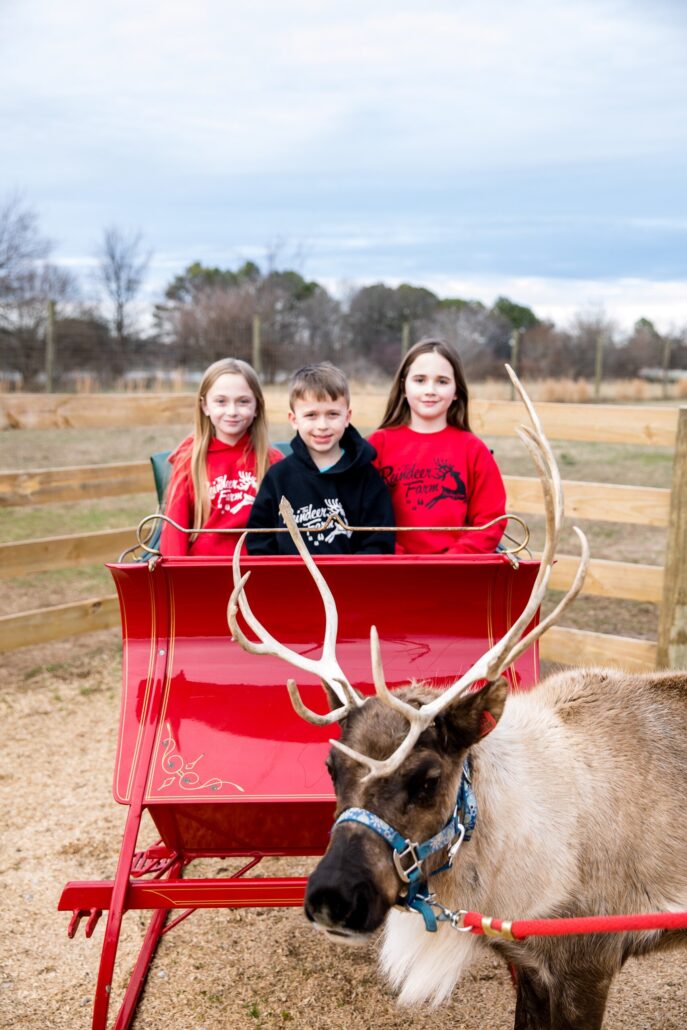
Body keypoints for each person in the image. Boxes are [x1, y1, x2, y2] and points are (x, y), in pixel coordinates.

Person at [368, 338, 506, 555]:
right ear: (404, 386)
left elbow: (491, 521)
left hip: (455, 574)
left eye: (442, 381)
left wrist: (453, 561)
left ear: (457, 390)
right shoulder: (377, 446)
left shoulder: (473, 450)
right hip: (390, 568)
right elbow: (361, 513)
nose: (430, 390)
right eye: (420, 380)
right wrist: (395, 557)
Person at [246, 362, 395, 555]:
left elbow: (379, 542)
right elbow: (260, 540)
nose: (322, 425)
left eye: (332, 414)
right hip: (291, 583)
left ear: (347, 417)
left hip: (352, 582)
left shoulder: (366, 477)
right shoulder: (278, 477)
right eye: (311, 415)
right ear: (294, 420)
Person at [160, 357, 283, 557]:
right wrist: (176, 578)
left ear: (257, 407)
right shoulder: (189, 460)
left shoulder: (273, 461)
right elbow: (174, 532)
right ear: (205, 406)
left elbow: (286, 531)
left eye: (243, 401)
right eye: (221, 401)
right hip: (204, 571)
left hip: (258, 569)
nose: (232, 411)